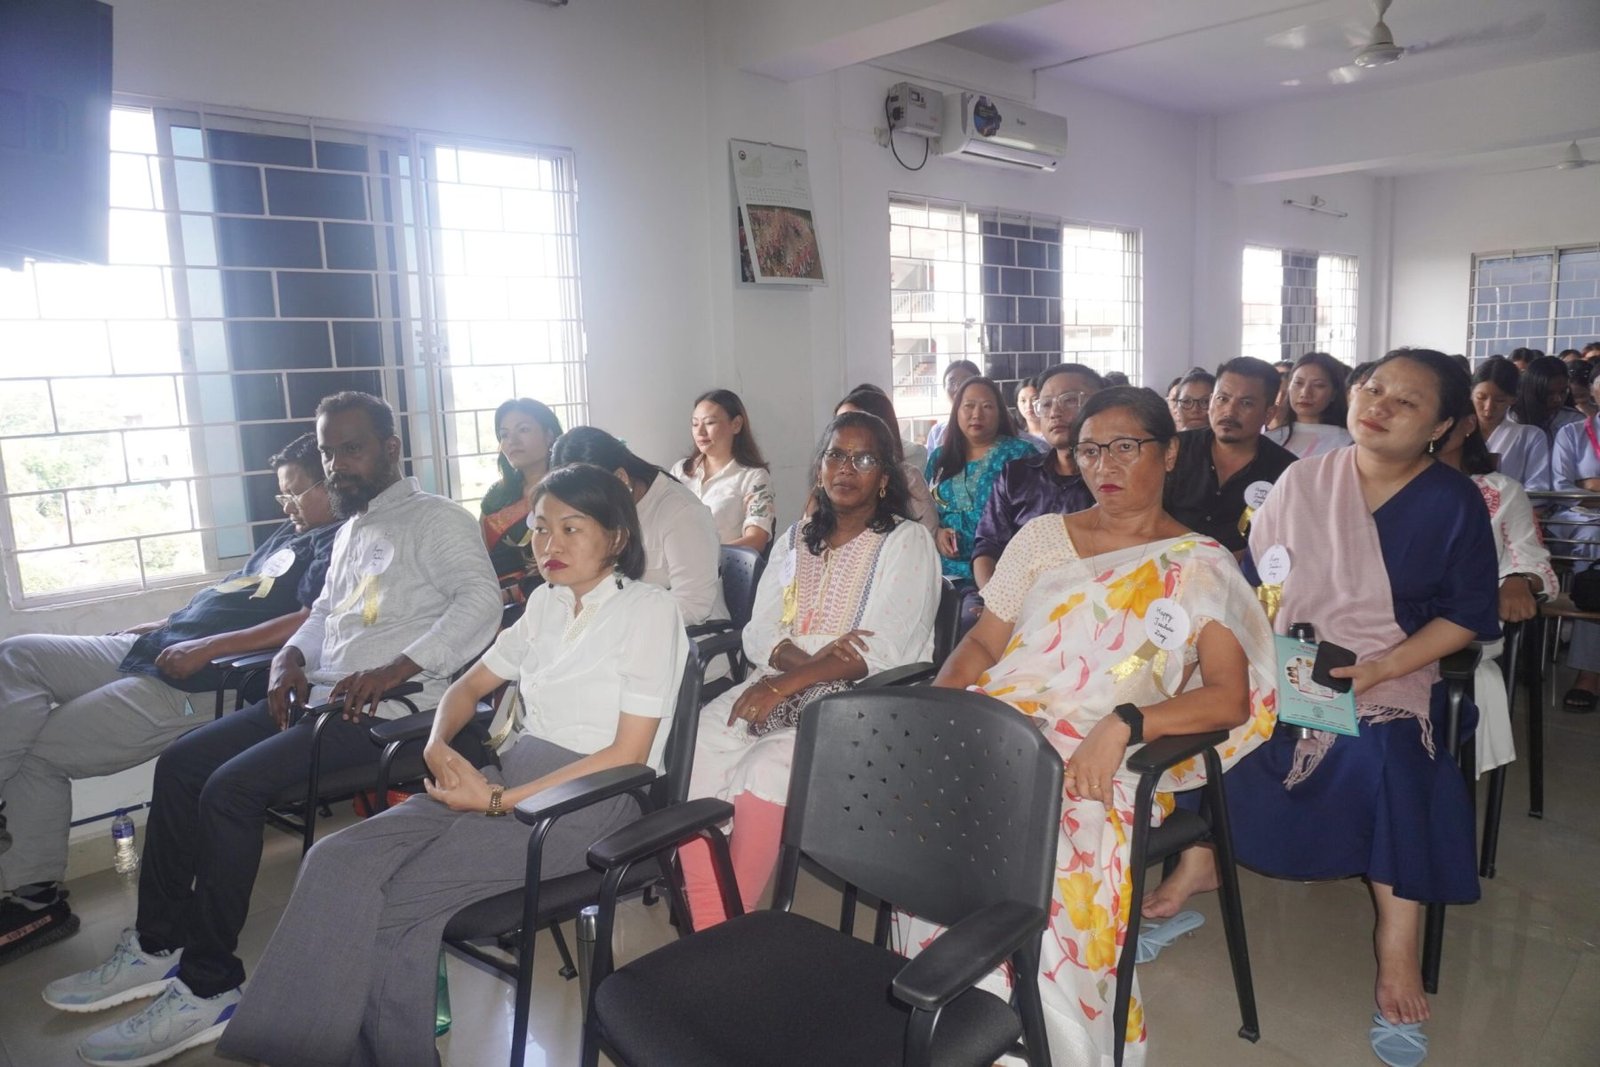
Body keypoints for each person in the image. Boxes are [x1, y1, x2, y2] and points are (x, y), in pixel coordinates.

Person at [42, 392, 502, 1066]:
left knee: (229, 791)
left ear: (391, 449)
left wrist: (398, 666)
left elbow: (482, 603)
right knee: (182, 763)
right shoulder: (353, 528)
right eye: (329, 452)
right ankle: (157, 943)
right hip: (320, 698)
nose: (337, 464)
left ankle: (209, 987)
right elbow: (322, 615)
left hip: (390, 713)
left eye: (352, 448)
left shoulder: (437, 519)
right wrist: (290, 657)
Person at [216, 463, 689, 1067]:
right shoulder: (545, 604)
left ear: (616, 537)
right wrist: (439, 744)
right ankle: (298, 1049)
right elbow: (466, 687)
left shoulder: (650, 611)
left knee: (394, 902)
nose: (550, 544)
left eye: (572, 528)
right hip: (511, 777)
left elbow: (628, 754)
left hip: (590, 802)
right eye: (541, 529)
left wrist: (495, 802)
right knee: (335, 858)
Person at [898, 386, 1276, 1066]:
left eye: (1126, 447)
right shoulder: (1043, 539)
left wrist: (1127, 721)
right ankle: (957, 1027)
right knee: (928, 831)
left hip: (1107, 756)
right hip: (1000, 728)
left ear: (1169, 453)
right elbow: (982, 644)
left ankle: (1050, 1046)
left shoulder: (1200, 564)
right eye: (1090, 450)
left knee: (1051, 864)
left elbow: (1227, 698)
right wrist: (934, 716)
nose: (1106, 465)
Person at [1151, 349, 1498, 1064]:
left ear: (1442, 426)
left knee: (1387, 753)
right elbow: (1255, 584)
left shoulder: (1452, 500)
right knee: (1211, 717)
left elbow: (1466, 616)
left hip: (1393, 664)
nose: (1380, 405)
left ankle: (1396, 945)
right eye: (1373, 388)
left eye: (1407, 401)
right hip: (1288, 655)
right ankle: (1200, 860)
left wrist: (1380, 670)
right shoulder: (1304, 479)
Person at [0, 434, 340, 965]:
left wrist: (206, 647)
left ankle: (34, 898)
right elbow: (235, 592)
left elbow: (308, 622)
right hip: (160, 644)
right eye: (282, 495)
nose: (286, 506)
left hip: (199, 679)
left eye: (295, 493)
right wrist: (166, 622)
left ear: (331, 484)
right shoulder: (289, 534)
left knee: (40, 753)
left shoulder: (339, 541)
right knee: (17, 654)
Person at [679, 412, 939, 927]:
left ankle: (728, 923)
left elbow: (881, 651)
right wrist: (804, 668)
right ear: (819, 467)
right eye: (835, 455)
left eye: (863, 459)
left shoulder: (906, 542)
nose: (846, 468)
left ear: (884, 477)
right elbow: (759, 632)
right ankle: (711, 919)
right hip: (780, 681)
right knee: (699, 740)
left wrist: (787, 681)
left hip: (864, 703)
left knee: (766, 767)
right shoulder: (795, 540)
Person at [1436, 404, 1554, 774]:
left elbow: (1531, 558)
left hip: (1460, 632)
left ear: (1467, 424)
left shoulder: (1500, 491)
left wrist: (1519, 579)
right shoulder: (1378, 481)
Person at [551, 427, 727, 628]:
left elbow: (693, 605)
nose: (584, 511)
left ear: (620, 478)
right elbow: (601, 591)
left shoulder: (682, 512)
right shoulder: (610, 510)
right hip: (616, 627)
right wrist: (582, 623)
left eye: (588, 501)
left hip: (683, 635)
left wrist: (619, 624)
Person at [971, 363, 1103, 588]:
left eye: (1069, 400)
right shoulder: (1016, 475)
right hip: (1011, 595)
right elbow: (988, 546)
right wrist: (991, 596)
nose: (1055, 413)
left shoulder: (1113, 481)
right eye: (1046, 404)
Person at [925, 376, 1036, 626]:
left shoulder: (1019, 454)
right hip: (942, 573)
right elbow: (925, 510)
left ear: (1000, 413)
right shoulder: (940, 458)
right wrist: (936, 531)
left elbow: (1030, 520)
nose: (977, 414)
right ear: (956, 411)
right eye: (969, 406)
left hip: (997, 574)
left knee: (967, 623)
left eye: (987, 406)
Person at [1163, 356, 1295, 555]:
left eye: (1246, 403)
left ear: (1269, 413)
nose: (1229, 412)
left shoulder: (1286, 472)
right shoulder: (1175, 449)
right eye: (1222, 399)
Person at [479, 398, 563, 609]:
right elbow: (480, 561)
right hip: (496, 609)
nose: (512, 441)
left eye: (523, 430)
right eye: (504, 435)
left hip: (560, 604)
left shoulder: (570, 492)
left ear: (549, 435)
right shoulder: (496, 497)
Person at [669, 389, 776, 554]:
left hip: (722, 567)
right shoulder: (680, 471)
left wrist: (708, 555)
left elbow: (756, 539)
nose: (700, 432)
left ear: (736, 424)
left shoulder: (753, 477)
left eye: (710, 423)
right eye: (695, 424)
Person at [1548, 378, 1600, 712]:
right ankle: (1589, 672)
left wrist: (1592, 483)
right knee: (1596, 539)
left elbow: (1583, 485)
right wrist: (1585, 490)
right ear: (1594, 393)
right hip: (1576, 521)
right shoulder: (1572, 433)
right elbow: (1562, 488)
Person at [834, 387, 937, 532]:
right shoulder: (829, 475)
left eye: (853, 422)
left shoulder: (908, 479)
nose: (844, 432)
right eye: (838, 423)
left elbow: (926, 535)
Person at [1472, 358, 1551, 489]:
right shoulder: (1457, 433)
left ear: (1513, 399)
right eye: (1481, 398)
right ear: (1471, 394)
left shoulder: (1530, 436)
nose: (1488, 407)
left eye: (1500, 400)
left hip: (1513, 501)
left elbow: (1537, 487)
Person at [1266, 351, 1353, 458]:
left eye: (1318, 385)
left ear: (1334, 393)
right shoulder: (1270, 439)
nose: (1305, 393)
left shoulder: (1346, 442)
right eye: (1298, 383)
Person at [1510, 354, 1581, 446]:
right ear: (1532, 391)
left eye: (1563, 392)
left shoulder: (1575, 421)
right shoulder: (1511, 419)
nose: (1558, 399)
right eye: (1549, 393)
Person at [923, 358, 980, 453]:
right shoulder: (936, 433)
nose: (958, 387)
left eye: (965, 381)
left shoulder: (988, 426)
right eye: (952, 382)